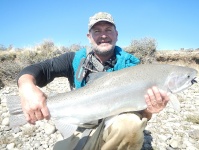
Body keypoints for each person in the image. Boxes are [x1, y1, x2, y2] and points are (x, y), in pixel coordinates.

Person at [17, 12, 169, 150]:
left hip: (115, 124)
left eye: (108, 30)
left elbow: (142, 112)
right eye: (97, 31)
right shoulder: (74, 59)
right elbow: (40, 69)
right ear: (89, 37)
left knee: (130, 126)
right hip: (80, 124)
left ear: (116, 34)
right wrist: (26, 87)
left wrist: (150, 110)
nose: (103, 35)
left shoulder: (131, 66)